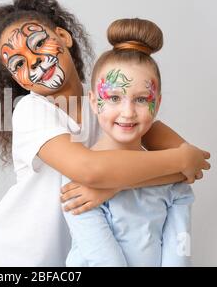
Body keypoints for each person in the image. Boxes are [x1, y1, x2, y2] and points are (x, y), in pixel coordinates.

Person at [0, 0, 210, 266]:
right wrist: (175, 162)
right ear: (16, 78)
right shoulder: (31, 111)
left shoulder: (107, 100)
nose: (33, 62)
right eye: (19, 63)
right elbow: (90, 170)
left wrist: (109, 188)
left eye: (38, 42)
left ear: (63, 36)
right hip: (12, 260)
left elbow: (190, 166)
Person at [62, 18, 195, 267]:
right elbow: (104, 260)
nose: (128, 112)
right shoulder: (77, 179)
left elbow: (178, 255)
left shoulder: (173, 178)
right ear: (93, 101)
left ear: (158, 103)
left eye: (142, 99)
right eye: (113, 97)